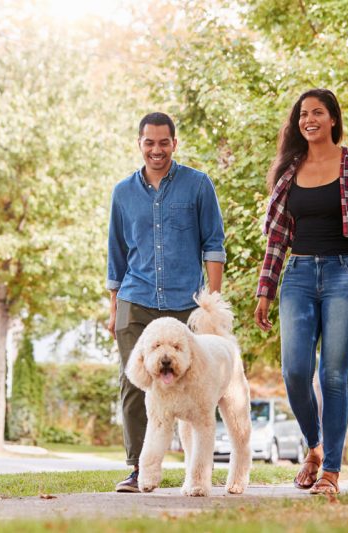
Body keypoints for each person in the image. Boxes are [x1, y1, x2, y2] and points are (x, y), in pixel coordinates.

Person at [253, 89, 348, 495]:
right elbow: (277, 239)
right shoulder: (290, 170)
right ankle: (315, 447)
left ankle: (331, 473)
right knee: (295, 371)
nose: (309, 119)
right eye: (303, 114)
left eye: (317, 112)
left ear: (333, 119)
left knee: (333, 375)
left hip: (347, 276)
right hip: (299, 276)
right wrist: (265, 289)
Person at [107, 112, 226, 493]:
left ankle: (197, 469)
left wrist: (212, 301)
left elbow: (214, 244)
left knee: (194, 384)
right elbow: (116, 254)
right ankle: (138, 469)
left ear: (174, 143)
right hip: (135, 298)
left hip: (184, 304)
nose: (156, 149)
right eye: (148, 142)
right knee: (134, 384)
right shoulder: (122, 193)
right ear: (139, 144)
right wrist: (113, 310)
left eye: (163, 142)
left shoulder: (198, 185)